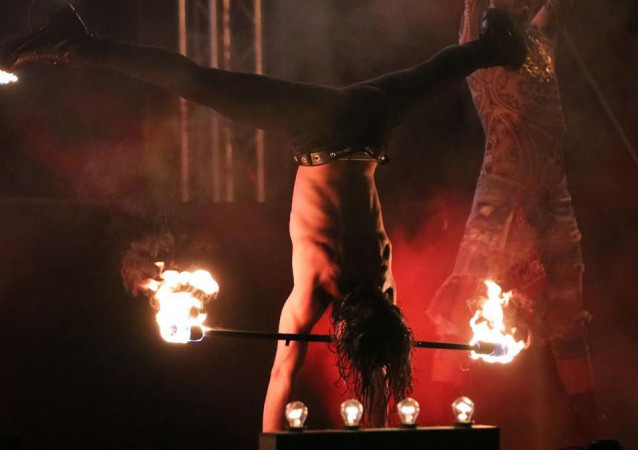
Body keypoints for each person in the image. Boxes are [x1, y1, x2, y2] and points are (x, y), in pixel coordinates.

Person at [0, 3, 525, 430]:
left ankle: (496, 46)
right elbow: (282, 378)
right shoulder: (316, 286)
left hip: (370, 123)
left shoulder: (384, 282)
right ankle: (76, 42)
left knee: (429, 75)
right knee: (199, 81)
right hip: (319, 130)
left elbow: (382, 363)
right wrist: (273, 443)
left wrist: (379, 419)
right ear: (344, 326)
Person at [426, 0, 603, 444]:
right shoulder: (481, 50)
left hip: (553, 202)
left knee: (568, 321)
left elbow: (556, 8)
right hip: (500, 204)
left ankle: (591, 430)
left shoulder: (539, 41)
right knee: (461, 313)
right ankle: (434, 423)